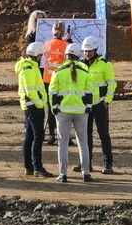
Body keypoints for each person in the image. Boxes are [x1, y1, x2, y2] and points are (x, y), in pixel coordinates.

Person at [48, 44, 93, 183]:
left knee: (62, 143)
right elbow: (89, 93)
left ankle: (63, 174)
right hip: (81, 112)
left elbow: (52, 93)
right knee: (83, 143)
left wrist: (54, 108)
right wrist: (88, 107)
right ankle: (86, 173)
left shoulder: (57, 72)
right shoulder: (85, 72)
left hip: (63, 113)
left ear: (65, 56)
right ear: (78, 56)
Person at [16, 42, 53, 177]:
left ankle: (30, 167)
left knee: (30, 136)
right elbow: (30, 91)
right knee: (38, 137)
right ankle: (37, 167)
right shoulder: (29, 69)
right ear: (37, 55)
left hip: (30, 106)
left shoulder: (30, 67)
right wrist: (40, 104)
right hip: (33, 107)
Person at [82, 35, 117, 175]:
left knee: (103, 134)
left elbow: (112, 83)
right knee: (85, 135)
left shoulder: (105, 64)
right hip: (85, 106)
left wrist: (107, 100)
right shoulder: (80, 65)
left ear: (95, 50)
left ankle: (108, 163)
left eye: (89, 51)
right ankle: (86, 163)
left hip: (100, 105)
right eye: (85, 51)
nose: (86, 53)